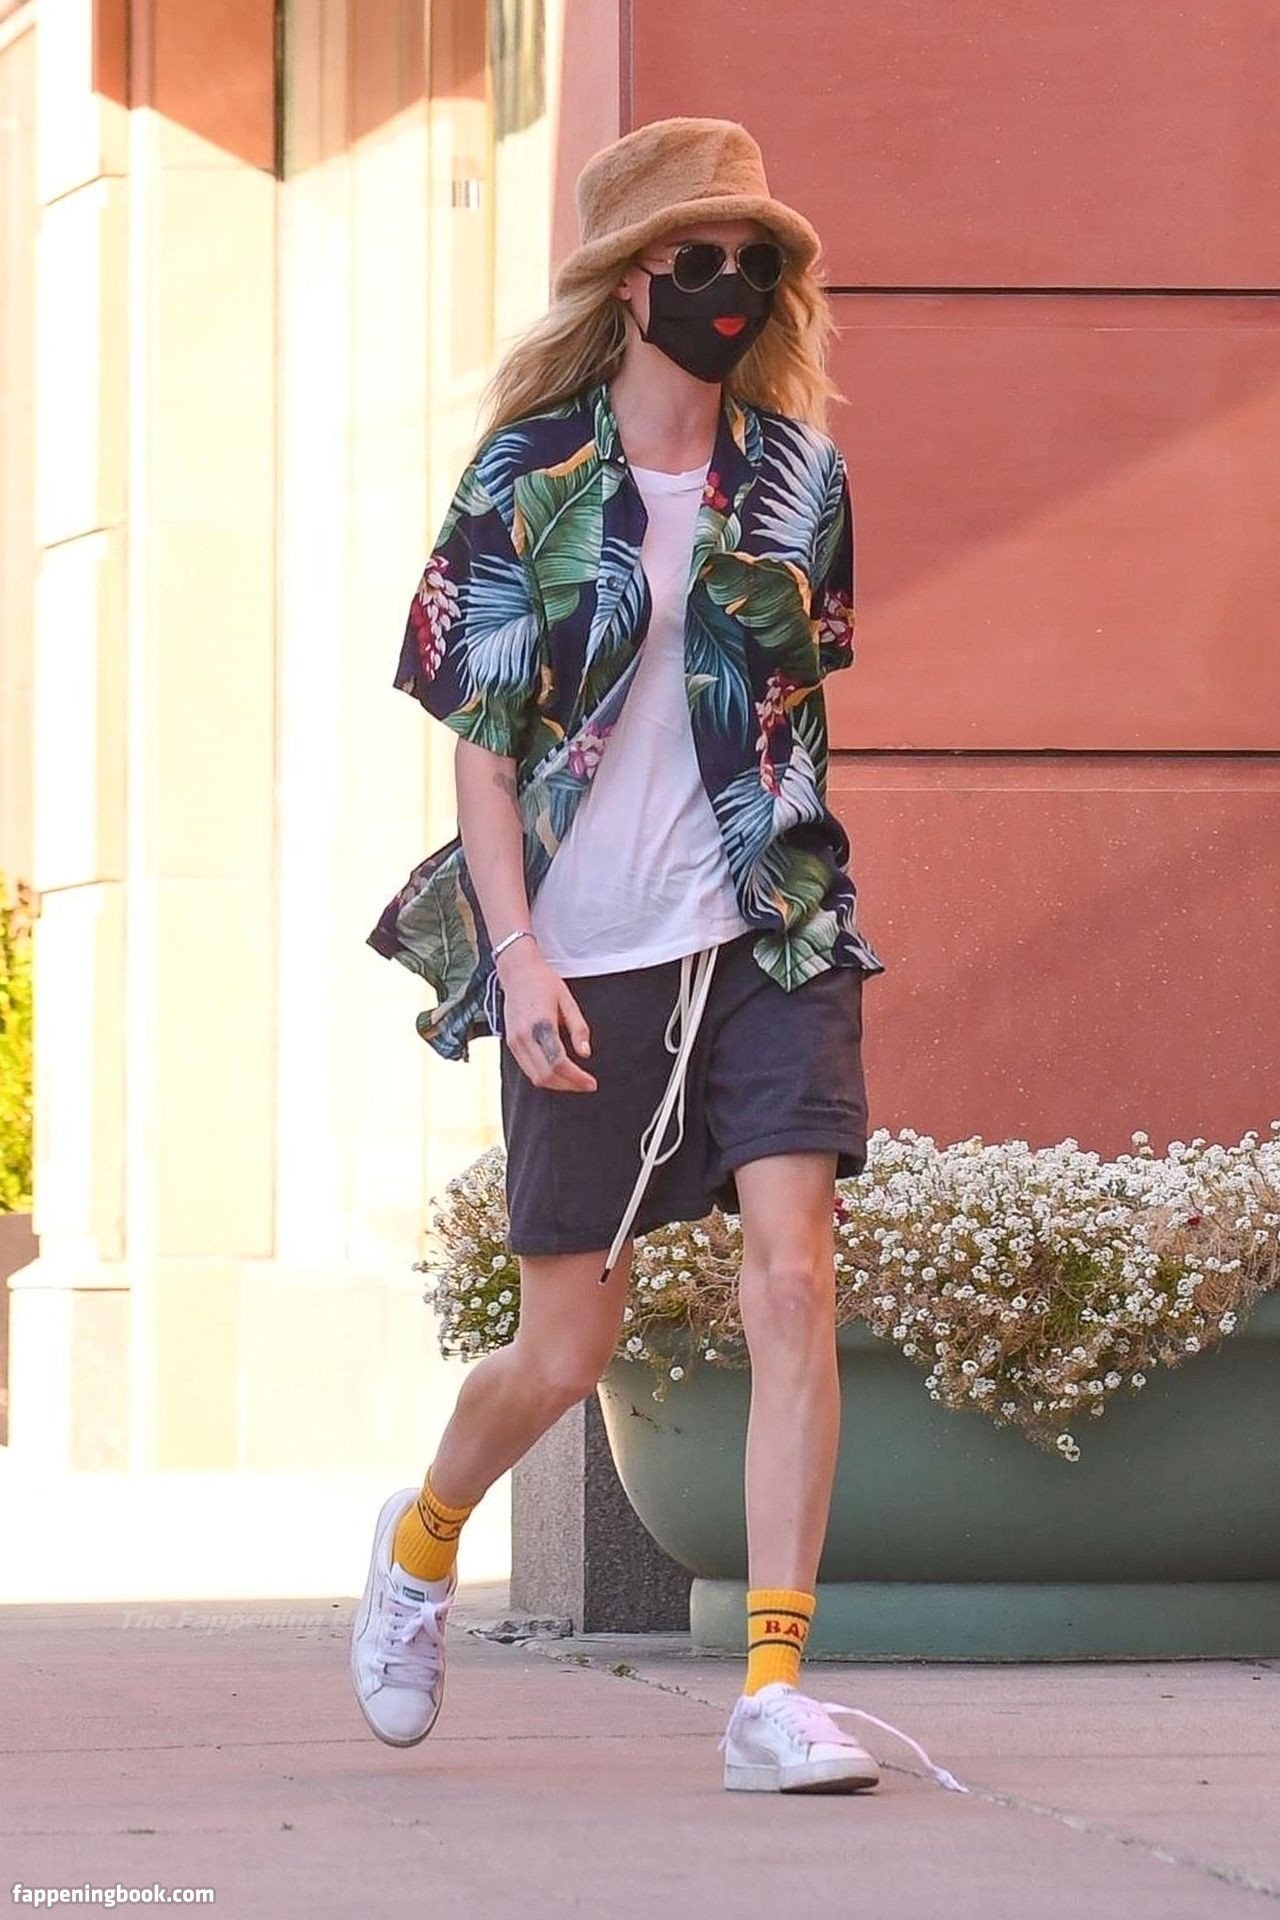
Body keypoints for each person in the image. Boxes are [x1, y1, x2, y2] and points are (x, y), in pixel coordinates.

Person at [353, 116, 965, 1799]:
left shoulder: (801, 480)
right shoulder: (524, 478)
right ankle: (421, 1541)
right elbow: (484, 751)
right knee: (564, 1354)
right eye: (702, 258)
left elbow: (787, 708)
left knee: (793, 1279)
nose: (733, 284)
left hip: (769, 928)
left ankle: (772, 1690)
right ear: (633, 282)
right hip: (583, 952)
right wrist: (519, 954)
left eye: (757, 260)